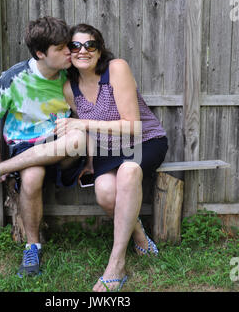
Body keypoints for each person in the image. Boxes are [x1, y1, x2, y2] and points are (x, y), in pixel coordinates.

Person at [0, 17, 88, 278]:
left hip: (62, 147)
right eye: (61, 48)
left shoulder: (72, 76)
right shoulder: (13, 78)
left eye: (68, 46)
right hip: (24, 149)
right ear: (40, 53)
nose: (69, 52)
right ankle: (32, 247)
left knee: (76, 139)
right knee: (32, 175)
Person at [59, 23, 168, 292]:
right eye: (76, 46)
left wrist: (84, 124)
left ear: (99, 49)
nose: (83, 50)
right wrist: (89, 164)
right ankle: (140, 236)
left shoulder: (116, 68)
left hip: (145, 141)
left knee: (129, 171)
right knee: (105, 193)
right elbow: (93, 135)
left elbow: (133, 125)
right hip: (109, 150)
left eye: (90, 45)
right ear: (68, 53)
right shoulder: (69, 89)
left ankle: (116, 266)